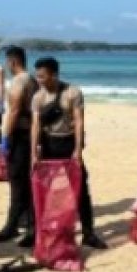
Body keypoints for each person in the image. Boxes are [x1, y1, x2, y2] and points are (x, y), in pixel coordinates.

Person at [30, 57, 108, 250]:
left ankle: (88, 233)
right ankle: (44, 231)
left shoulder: (73, 92)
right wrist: (33, 152)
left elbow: (79, 121)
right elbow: (36, 125)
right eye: (37, 76)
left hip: (68, 143)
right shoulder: (38, 98)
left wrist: (78, 150)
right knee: (47, 190)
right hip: (49, 144)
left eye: (43, 76)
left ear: (54, 74)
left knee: (81, 190)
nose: (39, 80)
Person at [0, 46, 38, 246]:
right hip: (27, 135)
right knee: (24, 182)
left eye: (7, 61)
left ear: (13, 61)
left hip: (21, 135)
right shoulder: (31, 80)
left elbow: (15, 111)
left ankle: (15, 226)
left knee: (18, 182)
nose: (7, 65)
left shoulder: (21, 81)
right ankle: (26, 224)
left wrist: (5, 138)